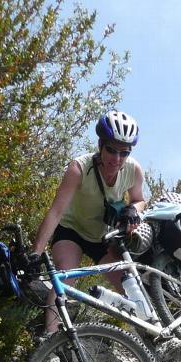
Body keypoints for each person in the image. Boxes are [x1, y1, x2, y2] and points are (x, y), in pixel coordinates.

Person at [30, 110, 146, 334]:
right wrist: (36, 252)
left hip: (103, 236)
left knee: (130, 288)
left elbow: (140, 199)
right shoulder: (79, 168)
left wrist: (134, 208)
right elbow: (56, 212)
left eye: (124, 152)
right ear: (100, 144)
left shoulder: (133, 170)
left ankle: (146, 343)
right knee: (65, 277)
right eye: (111, 150)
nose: (117, 159)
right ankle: (50, 338)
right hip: (71, 231)